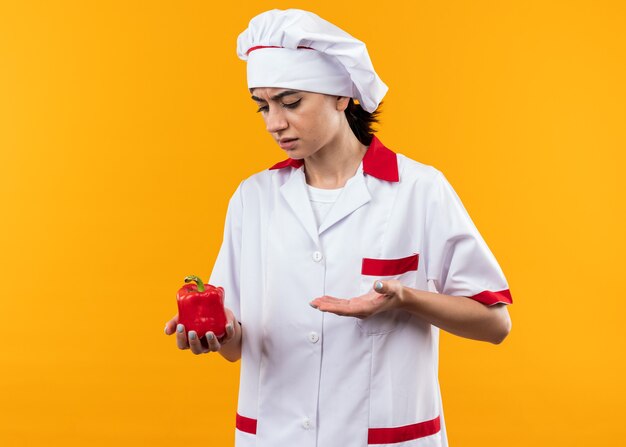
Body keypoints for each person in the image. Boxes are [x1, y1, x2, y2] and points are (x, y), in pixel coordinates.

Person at [165, 8, 512, 447]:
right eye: (263, 105)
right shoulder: (254, 198)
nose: (274, 123)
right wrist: (220, 334)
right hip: (275, 435)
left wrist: (403, 299)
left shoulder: (420, 190)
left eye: (291, 102)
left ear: (342, 97)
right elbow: (236, 345)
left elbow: (495, 324)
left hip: (385, 437)